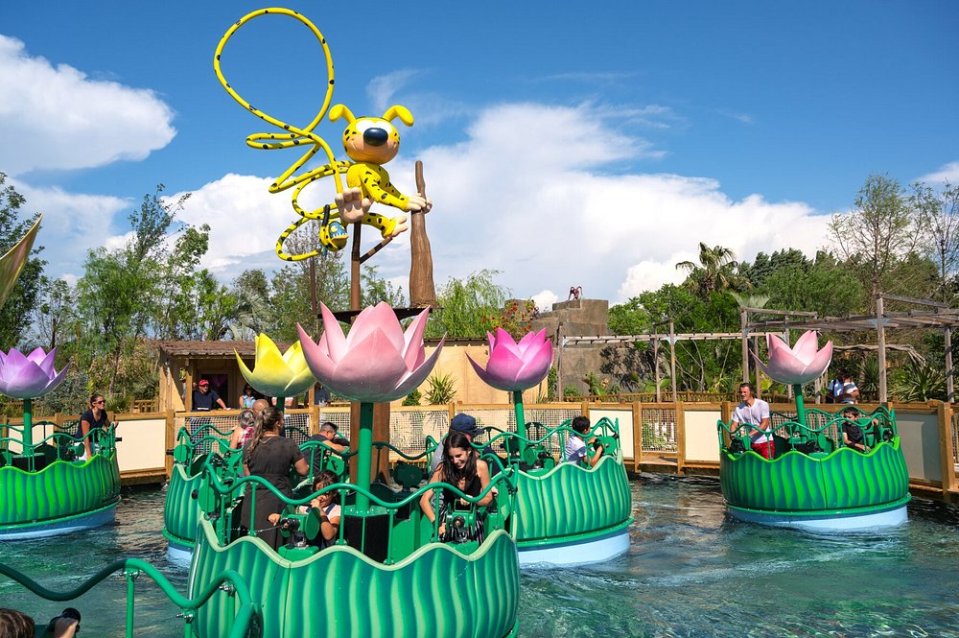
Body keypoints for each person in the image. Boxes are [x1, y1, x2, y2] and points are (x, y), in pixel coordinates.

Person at [242, 406, 309, 549]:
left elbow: (247, 474)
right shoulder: (288, 444)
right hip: (277, 500)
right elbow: (303, 470)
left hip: (253, 499)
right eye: (282, 420)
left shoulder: (249, 445)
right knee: (274, 545)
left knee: (251, 545)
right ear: (278, 423)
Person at [420, 431, 495, 543]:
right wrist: (436, 524)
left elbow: (488, 498)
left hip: (472, 516)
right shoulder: (443, 469)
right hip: (448, 518)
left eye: (459, 456)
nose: (455, 461)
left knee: (475, 540)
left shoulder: (480, 467)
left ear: (468, 451)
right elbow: (424, 500)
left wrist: (472, 500)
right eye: (451, 457)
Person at [267, 470, 341, 549]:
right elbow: (294, 520)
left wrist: (320, 510)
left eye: (326, 493)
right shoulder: (305, 507)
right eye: (317, 492)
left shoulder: (335, 510)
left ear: (334, 493)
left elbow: (328, 535)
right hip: (302, 548)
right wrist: (280, 517)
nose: (320, 496)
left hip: (322, 553)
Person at [731, 382, 773, 459]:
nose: (742, 394)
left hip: (765, 442)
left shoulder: (762, 404)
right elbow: (734, 424)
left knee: (767, 465)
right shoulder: (739, 408)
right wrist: (733, 435)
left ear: (751, 392)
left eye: (745, 392)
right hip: (751, 443)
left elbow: (765, 424)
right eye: (741, 392)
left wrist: (749, 435)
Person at [76, 393, 111, 460]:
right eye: (100, 402)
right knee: (86, 460)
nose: (103, 403)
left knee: (101, 458)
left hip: (94, 442)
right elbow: (86, 437)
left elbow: (108, 425)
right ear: (94, 404)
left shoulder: (103, 413)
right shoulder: (86, 416)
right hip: (82, 442)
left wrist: (114, 424)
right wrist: (89, 454)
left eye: (104, 401)